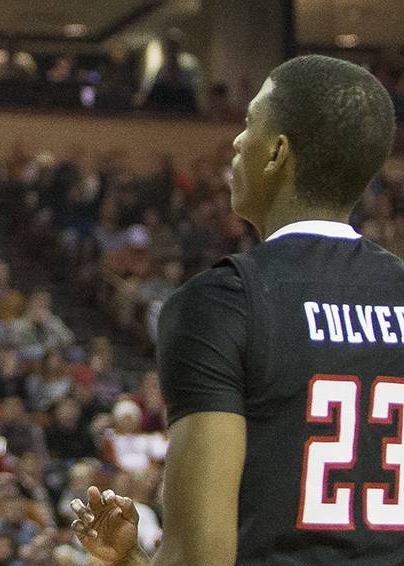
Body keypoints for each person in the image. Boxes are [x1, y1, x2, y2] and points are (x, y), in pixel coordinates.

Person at [73, 55, 402, 566]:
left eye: (249, 123)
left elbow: (199, 560)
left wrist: (129, 560)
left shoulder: (222, 302)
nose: (235, 141)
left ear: (276, 152)